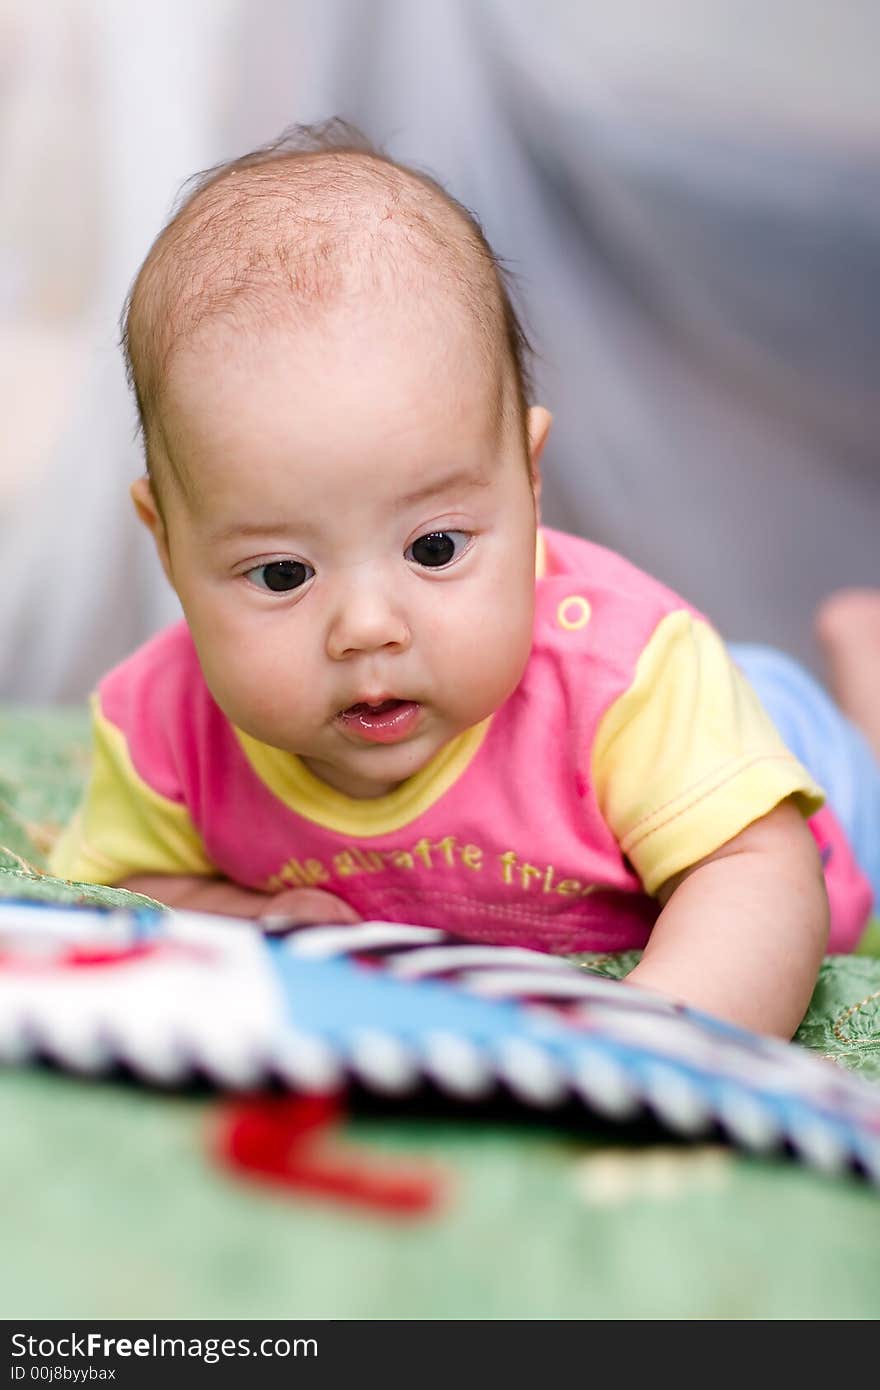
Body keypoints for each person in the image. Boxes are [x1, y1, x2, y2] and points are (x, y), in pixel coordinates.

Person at [49, 124, 879, 1040]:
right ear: (168, 545)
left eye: (435, 549)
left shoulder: (625, 680)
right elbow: (116, 891)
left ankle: (864, 676)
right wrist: (241, 917)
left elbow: (761, 875)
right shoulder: (165, 726)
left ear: (528, 483)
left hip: (748, 748)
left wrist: (644, 1049)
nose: (367, 628)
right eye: (283, 572)